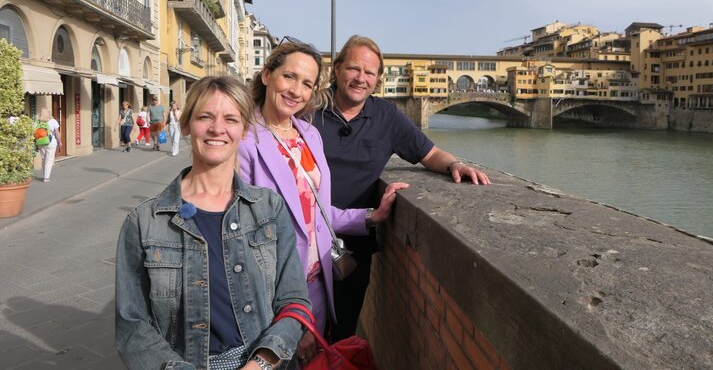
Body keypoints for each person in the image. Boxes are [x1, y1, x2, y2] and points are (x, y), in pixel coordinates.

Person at [116, 76, 311, 370]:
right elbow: (132, 326)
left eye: (230, 119)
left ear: (244, 129)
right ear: (186, 125)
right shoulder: (144, 222)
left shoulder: (269, 208)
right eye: (205, 116)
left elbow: (294, 301)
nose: (217, 128)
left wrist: (260, 363)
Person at [312, 34, 491, 340]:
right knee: (294, 331)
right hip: (301, 240)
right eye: (354, 69)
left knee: (341, 333)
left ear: (378, 79)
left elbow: (430, 154)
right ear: (337, 69)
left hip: (352, 246)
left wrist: (453, 165)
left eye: (369, 73)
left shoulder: (387, 116)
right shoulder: (310, 110)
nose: (361, 78)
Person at [238, 41, 407, 363]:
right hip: (278, 295)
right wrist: (289, 317)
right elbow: (242, 241)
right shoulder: (245, 141)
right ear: (266, 75)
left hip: (318, 284)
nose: (296, 90)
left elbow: (314, 213)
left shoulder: (307, 134)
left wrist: (372, 215)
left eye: (307, 83)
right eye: (289, 77)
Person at [37, 107, 60, 182]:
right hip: (51, 142)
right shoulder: (53, 121)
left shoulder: (38, 122)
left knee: (43, 159)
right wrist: (60, 141)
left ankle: (44, 175)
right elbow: (57, 133)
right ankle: (46, 177)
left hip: (40, 142)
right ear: (49, 113)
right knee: (49, 160)